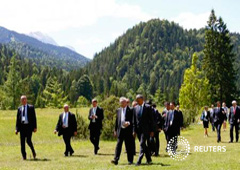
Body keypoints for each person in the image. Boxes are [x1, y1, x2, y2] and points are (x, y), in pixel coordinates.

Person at [111, 97, 134, 165]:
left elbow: (133, 120)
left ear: (126, 102)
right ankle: (116, 159)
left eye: (123, 102)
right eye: (120, 102)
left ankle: (130, 160)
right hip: (120, 130)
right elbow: (117, 121)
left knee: (128, 146)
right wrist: (115, 130)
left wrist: (128, 123)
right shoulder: (118, 110)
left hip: (128, 130)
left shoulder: (131, 110)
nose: (121, 104)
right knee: (118, 145)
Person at [133, 95, 154, 166]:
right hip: (139, 130)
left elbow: (151, 120)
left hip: (146, 130)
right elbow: (134, 121)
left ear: (142, 99)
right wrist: (134, 130)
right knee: (144, 145)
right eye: (136, 100)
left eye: (138, 100)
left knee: (142, 144)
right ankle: (149, 159)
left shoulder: (148, 107)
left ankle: (139, 160)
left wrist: (152, 130)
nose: (137, 101)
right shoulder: (135, 108)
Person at [15, 95, 37, 160]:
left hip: (29, 127)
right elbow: (18, 120)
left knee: (28, 140)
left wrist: (35, 127)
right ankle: (24, 156)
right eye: (22, 100)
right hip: (22, 127)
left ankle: (33, 151)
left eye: (25, 99)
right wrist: (16, 129)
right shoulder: (19, 109)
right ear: (21, 101)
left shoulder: (31, 107)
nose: (24, 100)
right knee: (22, 142)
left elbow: (34, 118)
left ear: (26, 100)